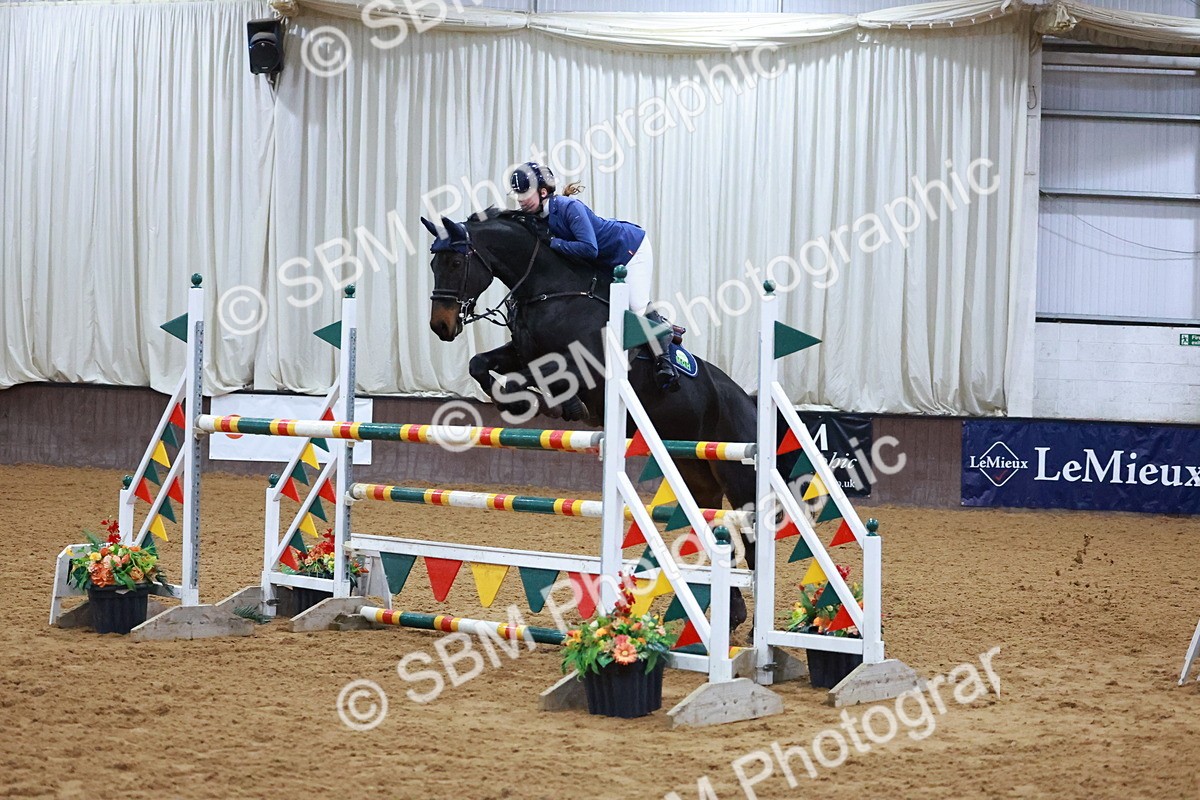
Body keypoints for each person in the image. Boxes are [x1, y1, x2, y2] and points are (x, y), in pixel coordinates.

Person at [508, 161, 679, 392]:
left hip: (629, 250)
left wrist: (553, 242)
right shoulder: (536, 216)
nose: (520, 199)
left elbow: (590, 249)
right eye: (517, 194)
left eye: (524, 193)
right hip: (601, 260)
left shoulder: (569, 207)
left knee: (636, 306)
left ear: (543, 191)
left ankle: (664, 360)